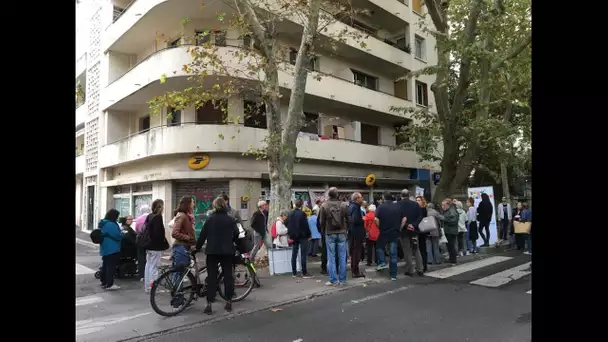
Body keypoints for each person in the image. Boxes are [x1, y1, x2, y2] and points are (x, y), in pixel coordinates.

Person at [194, 196, 240, 315]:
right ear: (225, 206)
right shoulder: (230, 219)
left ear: (214, 206)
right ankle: (228, 302)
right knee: (228, 277)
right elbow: (236, 233)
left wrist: (197, 248)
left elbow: (202, 235)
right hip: (227, 252)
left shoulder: (210, 219)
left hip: (212, 252)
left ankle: (209, 304)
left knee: (212, 277)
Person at [318, 187, 349, 285]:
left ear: (329, 195)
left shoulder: (324, 205)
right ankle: (343, 279)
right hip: (342, 233)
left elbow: (321, 222)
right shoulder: (344, 205)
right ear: (338, 195)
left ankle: (333, 279)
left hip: (330, 233)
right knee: (342, 256)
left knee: (331, 257)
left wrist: (323, 231)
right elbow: (348, 219)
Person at [140, 199, 170, 293]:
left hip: (148, 245)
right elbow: (158, 234)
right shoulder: (158, 217)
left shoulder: (150, 216)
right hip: (155, 246)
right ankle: (153, 288)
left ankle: (148, 287)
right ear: (160, 207)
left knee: (148, 266)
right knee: (154, 267)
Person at [374, 191, 404, 280]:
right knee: (393, 254)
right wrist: (400, 228)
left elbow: (376, 219)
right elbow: (404, 218)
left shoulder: (381, 207)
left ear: (384, 197)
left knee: (379, 247)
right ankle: (393, 275)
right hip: (394, 233)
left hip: (383, 232)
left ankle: (382, 261)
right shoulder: (398, 206)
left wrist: (379, 227)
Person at [171, 196, 196, 285]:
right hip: (180, 247)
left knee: (180, 272)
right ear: (187, 204)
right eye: (192, 203)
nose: (193, 205)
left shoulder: (186, 216)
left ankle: (178, 295)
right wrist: (188, 238)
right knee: (179, 273)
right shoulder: (182, 216)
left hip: (184, 247)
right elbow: (174, 233)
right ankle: (178, 296)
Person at [398, 190, 423, 276]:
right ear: (409, 195)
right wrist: (414, 225)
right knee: (416, 249)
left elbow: (398, 218)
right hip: (414, 230)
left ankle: (411, 270)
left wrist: (407, 225)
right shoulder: (415, 204)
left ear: (401, 195)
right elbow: (420, 216)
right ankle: (420, 269)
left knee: (407, 251)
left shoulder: (398, 205)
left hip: (404, 231)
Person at [287, 199, 313, 278]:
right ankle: (304, 272)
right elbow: (305, 225)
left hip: (294, 236)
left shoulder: (290, 213)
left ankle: (294, 272)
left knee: (294, 254)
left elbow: (288, 224)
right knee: (303, 254)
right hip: (302, 236)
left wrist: (290, 234)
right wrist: (309, 234)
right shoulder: (302, 214)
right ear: (301, 205)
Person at [99, 209, 123, 290]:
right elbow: (117, 236)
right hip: (112, 248)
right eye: (117, 216)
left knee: (105, 265)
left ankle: (104, 282)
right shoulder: (111, 224)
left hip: (105, 247)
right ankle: (109, 284)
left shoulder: (103, 222)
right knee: (111, 267)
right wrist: (122, 233)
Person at [347, 192, 366, 278]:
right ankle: (355, 271)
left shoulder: (351, 206)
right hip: (357, 233)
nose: (362, 199)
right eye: (361, 197)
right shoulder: (356, 207)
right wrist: (363, 219)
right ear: (357, 198)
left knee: (354, 252)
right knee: (356, 253)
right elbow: (355, 220)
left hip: (353, 233)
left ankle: (354, 270)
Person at [439, 199, 460, 264]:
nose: (442, 206)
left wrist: (444, 218)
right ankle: (452, 258)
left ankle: (453, 259)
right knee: (449, 246)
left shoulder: (452, 211)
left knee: (451, 246)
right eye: (442, 205)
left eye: (444, 205)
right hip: (449, 230)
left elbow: (454, 221)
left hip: (451, 231)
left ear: (448, 205)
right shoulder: (448, 210)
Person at [134, 205, 152, 281]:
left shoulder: (138, 219)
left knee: (141, 258)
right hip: (150, 241)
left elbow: (137, 230)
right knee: (150, 258)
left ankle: (142, 275)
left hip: (141, 241)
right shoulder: (152, 217)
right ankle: (150, 275)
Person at [415, 196, 429, 272]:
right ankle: (423, 265)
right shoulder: (420, 209)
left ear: (422, 201)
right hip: (421, 230)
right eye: (417, 200)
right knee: (420, 249)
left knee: (421, 249)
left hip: (421, 231)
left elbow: (420, 218)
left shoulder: (422, 209)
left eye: (419, 200)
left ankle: (423, 265)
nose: (417, 201)